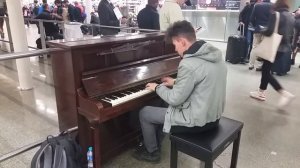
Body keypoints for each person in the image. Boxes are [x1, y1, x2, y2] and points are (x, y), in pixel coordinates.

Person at [132, 20, 227, 162]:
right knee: (164, 104)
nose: (175, 50)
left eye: (175, 45)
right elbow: (203, 80)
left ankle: (151, 152)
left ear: (182, 41)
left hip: (197, 122)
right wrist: (175, 82)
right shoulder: (215, 55)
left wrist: (157, 87)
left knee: (145, 113)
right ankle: (155, 141)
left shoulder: (188, 63)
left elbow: (175, 99)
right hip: (213, 116)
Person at [249, 0, 295, 110]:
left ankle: (283, 93)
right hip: (284, 48)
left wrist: (261, 29)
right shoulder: (290, 16)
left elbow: (270, 31)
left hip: (274, 47)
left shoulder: (276, 14)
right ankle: (261, 92)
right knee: (266, 69)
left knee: (265, 71)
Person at [248, 0, 272, 70]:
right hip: (267, 31)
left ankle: (251, 65)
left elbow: (251, 18)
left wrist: (256, 25)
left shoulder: (257, 5)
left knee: (254, 47)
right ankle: (259, 66)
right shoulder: (272, 6)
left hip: (258, 29)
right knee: (264, 48)